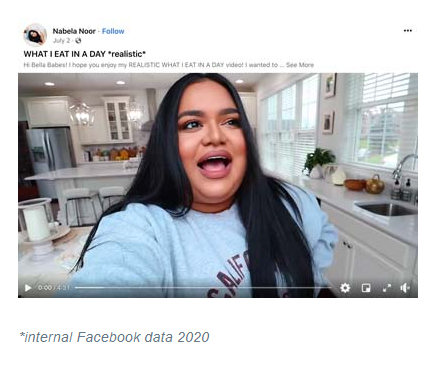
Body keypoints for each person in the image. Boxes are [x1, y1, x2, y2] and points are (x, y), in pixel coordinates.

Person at [69, 73, 337, 297]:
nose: (215, 136)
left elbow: (324, 234)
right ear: (168, 145)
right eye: (192, 124)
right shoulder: (141, 228)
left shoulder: (289, 198)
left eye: (231, 121)